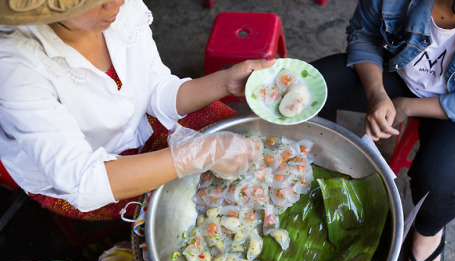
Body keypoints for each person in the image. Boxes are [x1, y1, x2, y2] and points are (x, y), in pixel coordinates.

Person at [0, 0, 275, 220]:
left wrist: (224, 81)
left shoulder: (121, 10)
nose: (117, 4)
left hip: (138, 124)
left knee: (232, 135)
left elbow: (155, 90)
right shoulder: (14, 66)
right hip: (87, 180)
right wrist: (200, 153)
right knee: (178, 208)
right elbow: (84, 182)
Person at [311, 0, 455, 261]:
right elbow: (364, 35)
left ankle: (428, 230)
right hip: (397, 76)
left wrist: (407, 106)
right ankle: (319, 166)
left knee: (440, 180)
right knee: (313, 86)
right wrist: (377, 94)